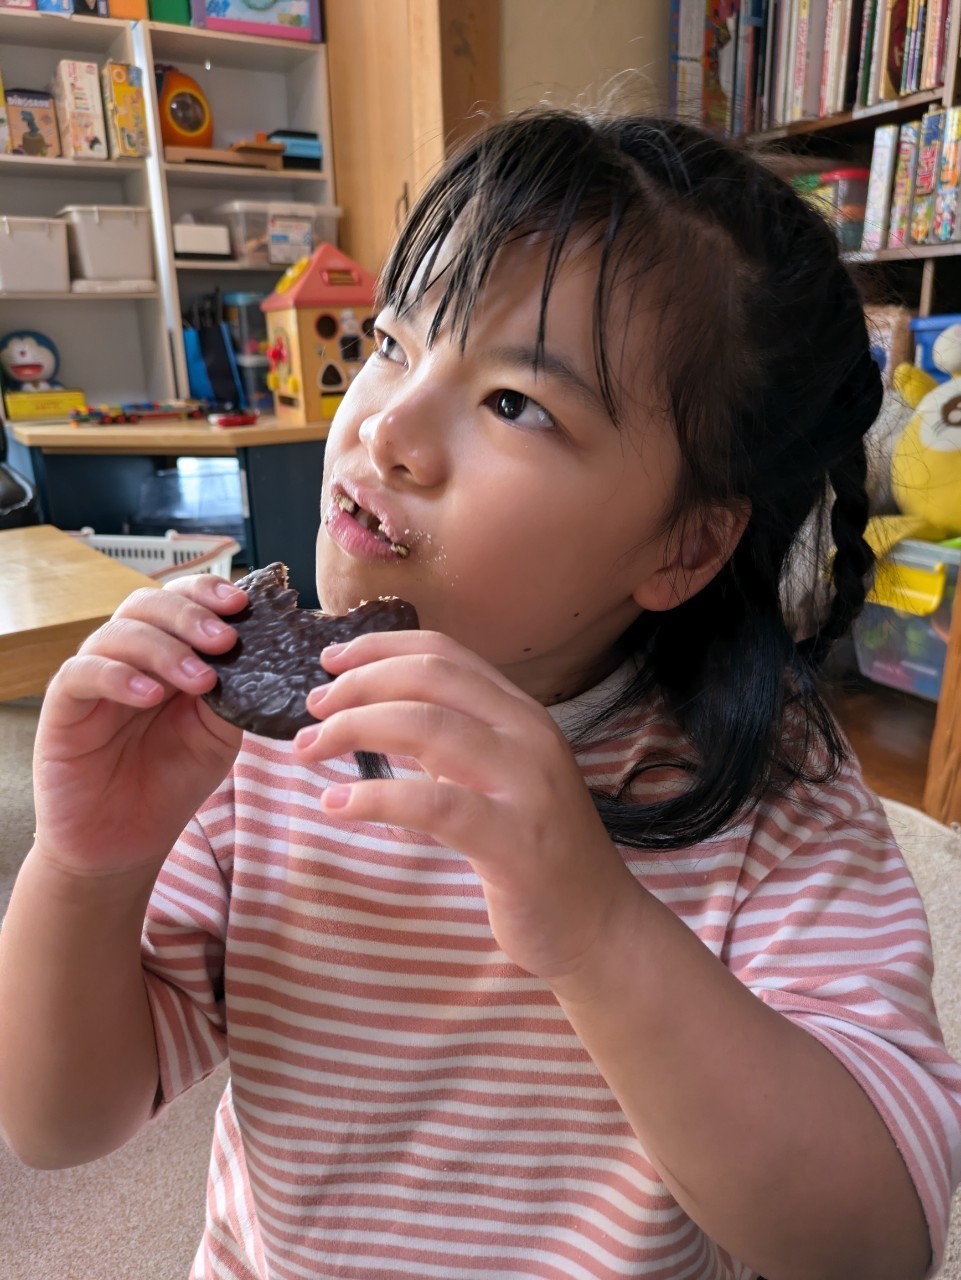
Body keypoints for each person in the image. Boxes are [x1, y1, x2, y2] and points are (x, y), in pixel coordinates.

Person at [1, 106, 960, 1280]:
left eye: (515, 402)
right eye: (393, 343)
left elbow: (870, 1246)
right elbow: (57, 1121)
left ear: (684, 545)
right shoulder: (241, 744)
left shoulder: (776, 800)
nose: (387, 427)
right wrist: (86, 867)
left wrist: (596, 926)